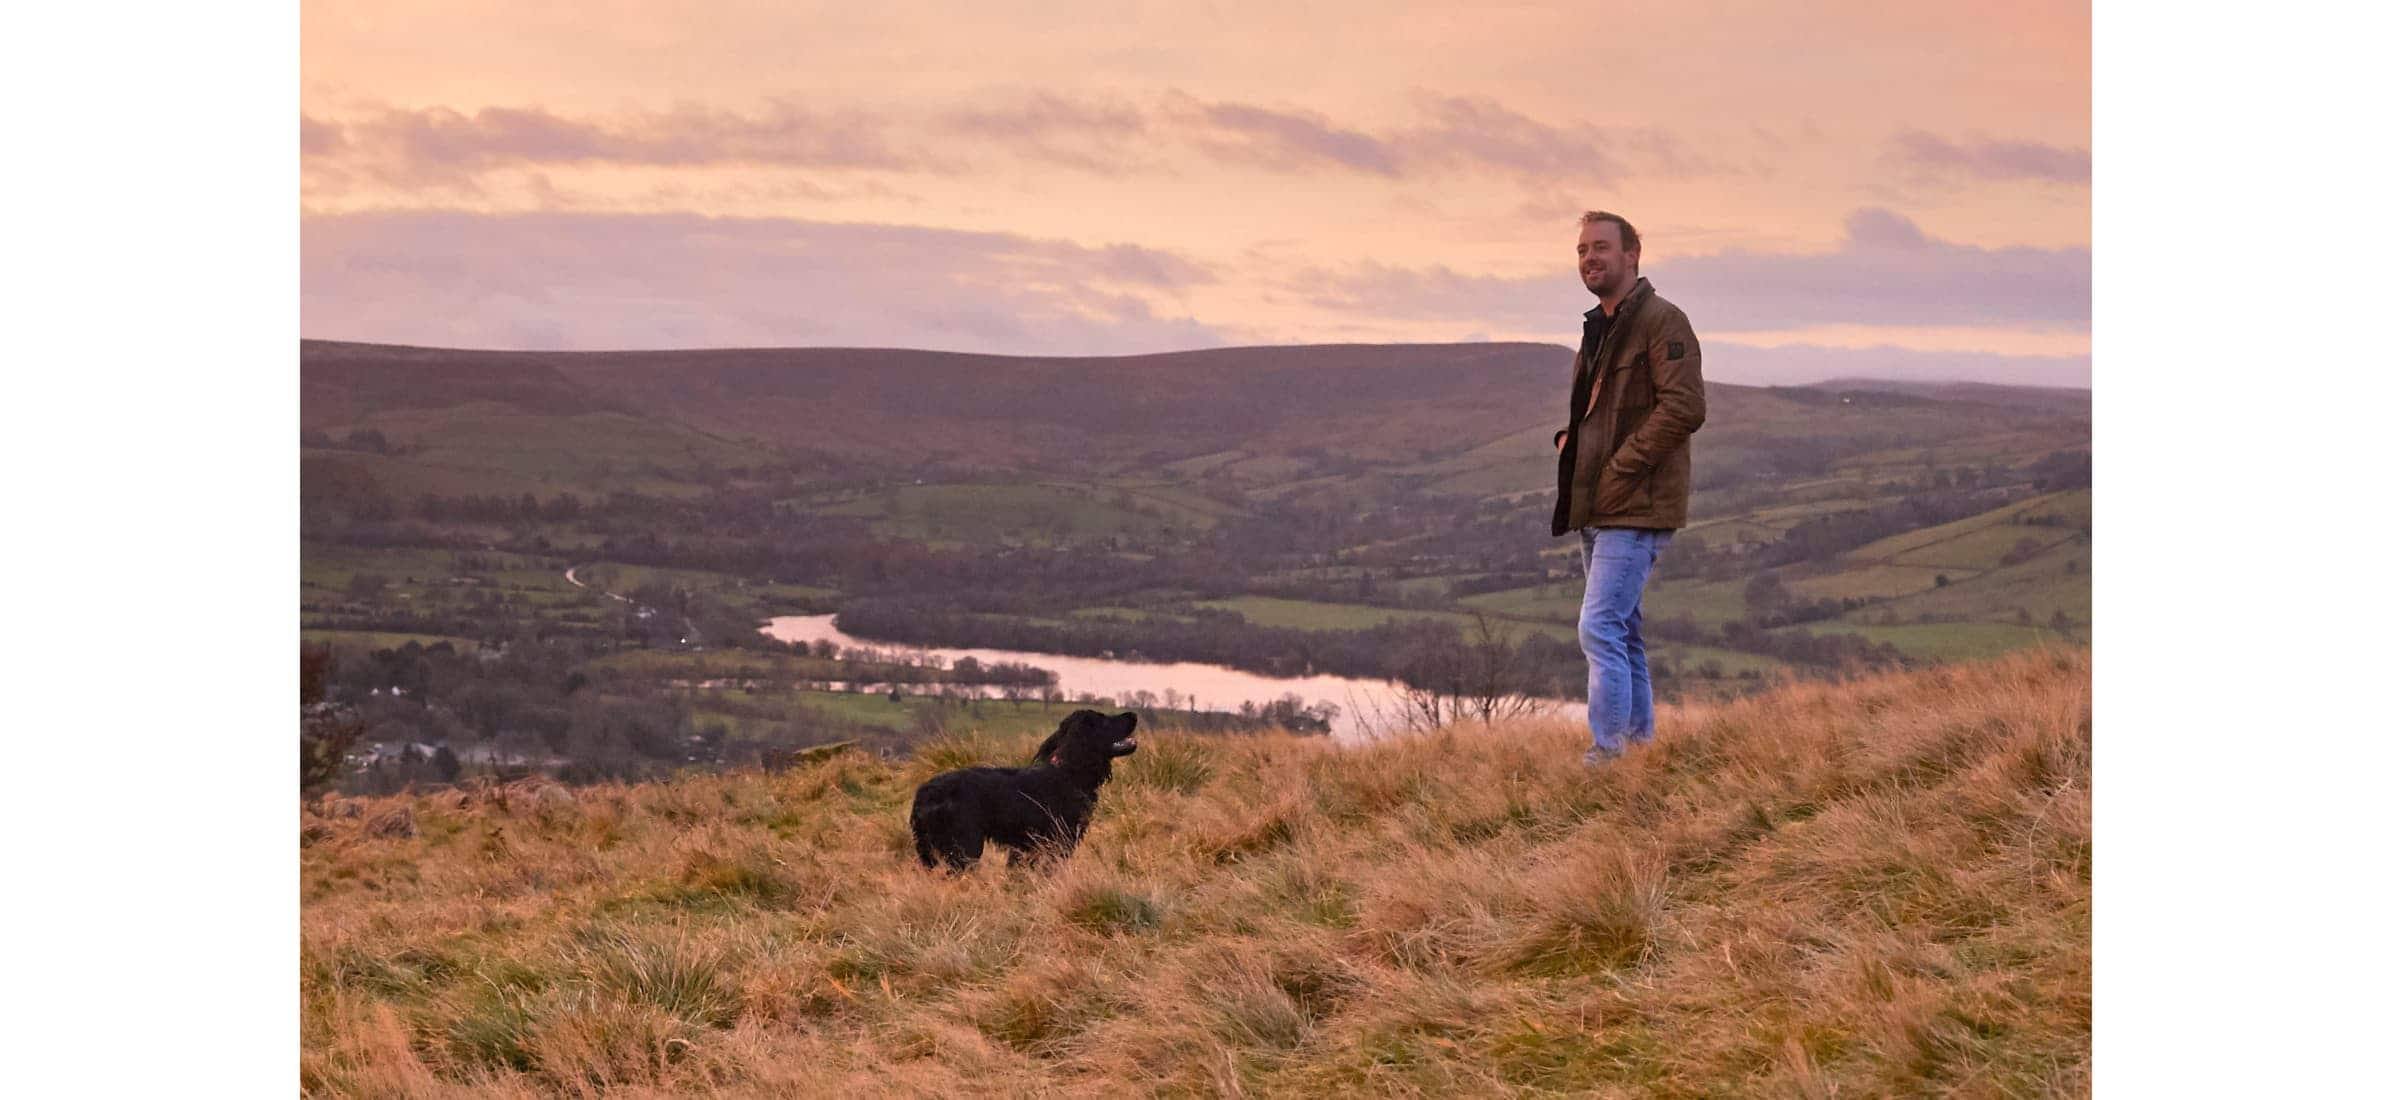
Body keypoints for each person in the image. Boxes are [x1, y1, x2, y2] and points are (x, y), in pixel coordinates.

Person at [1550, 210, 1706, 765]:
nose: (1589, 258)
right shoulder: (1599, 327)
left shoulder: (1662, 321)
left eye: (1601, 247)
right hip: (1597, 503)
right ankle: (1640, 750)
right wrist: (1573, 439)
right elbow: (1601, 410)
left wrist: (1621, 465)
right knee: (1624, 631)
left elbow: (1685, 407)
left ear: (1631, 255)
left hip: (1633, 504)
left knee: (1599, 628)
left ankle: (1608, 756)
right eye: (1582, 249)